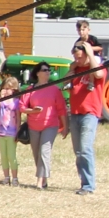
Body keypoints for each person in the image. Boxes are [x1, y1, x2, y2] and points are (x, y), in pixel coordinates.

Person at [66, 40, 107, 194]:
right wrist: (72, 68)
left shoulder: (95, 69)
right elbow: (64, 83)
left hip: (90, 113)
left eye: (79, 57)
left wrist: (90, 52)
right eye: (75, 57)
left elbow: (98, 74)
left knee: (85, 148)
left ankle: (89, 185)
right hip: (75, 113)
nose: (77, 60)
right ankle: (84, 182)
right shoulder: (76, 70)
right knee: (78, 151)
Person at [20, 61, 69, 189]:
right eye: (45, 70)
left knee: (44, 152)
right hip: (33, 125)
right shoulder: (30, 90)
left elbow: (61, 109)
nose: (48, 72)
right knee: (37, 153)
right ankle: (44, 179)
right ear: (37, 73)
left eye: (49, 70)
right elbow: (22, 107)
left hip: (50, 124)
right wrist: (32, 111)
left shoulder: (54, 89)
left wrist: (65, 126)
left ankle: (39, 181)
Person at [0, 75, 23, 187]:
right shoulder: (0, 102)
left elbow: (18, 118)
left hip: (11, 133)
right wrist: (0, 97)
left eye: (9, 89)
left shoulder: (16, 102)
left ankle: (15, 177)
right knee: (3, 156)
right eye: (4, 88)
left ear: (14, 90)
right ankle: (6, 177)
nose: (6, 91)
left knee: (11, 156)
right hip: (1, 132)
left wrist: (18, 131)